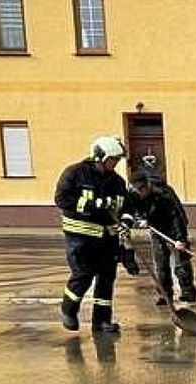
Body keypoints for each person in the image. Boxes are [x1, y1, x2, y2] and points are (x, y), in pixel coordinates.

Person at [54, 135, 132, 333]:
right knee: (83, 275)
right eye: (113, 160)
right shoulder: (75, 174)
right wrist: (91, 205)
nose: (115, 164)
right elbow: (62, 199)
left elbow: (127, 206)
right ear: (99, 157)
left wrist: (125, 222)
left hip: (107, 239)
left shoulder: (117, 182)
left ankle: (102, 321)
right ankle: (69, 310)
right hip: (81, 237)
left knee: (106, 279)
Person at [129, 170, 196, 305]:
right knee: (160, 264)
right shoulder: (134, 195)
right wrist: (141, 219)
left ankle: (188, 292)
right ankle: (165, 295)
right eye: (138, 189)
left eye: (142, 189)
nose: (140, 192)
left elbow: (176, 217)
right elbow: (133, 210)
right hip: (156, 229)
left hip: (173, 227)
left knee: (181, 263)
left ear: (147, 185)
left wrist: (180, 239)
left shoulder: (164, 194)